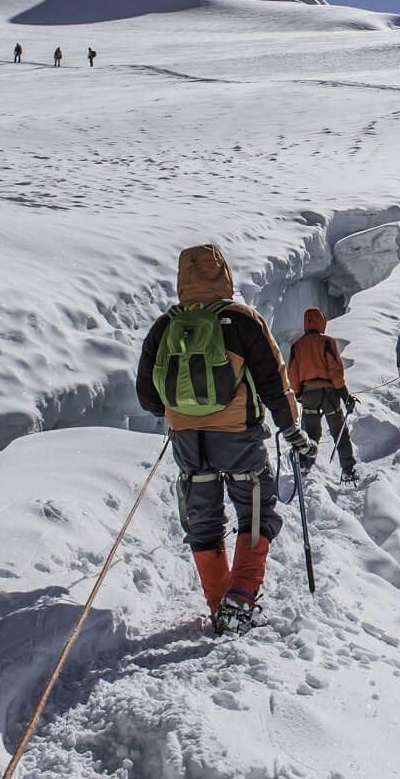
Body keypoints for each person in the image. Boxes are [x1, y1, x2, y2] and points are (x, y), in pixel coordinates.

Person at [136, 244, 315, 635]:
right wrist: (291, 429)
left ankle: (221, 604)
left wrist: (184, 412)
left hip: (186, 440)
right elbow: (273, 381)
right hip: (237, 437)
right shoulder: (241, 320)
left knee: (203, 521)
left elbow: (148, 395)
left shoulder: (165, 326)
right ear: (223, 274)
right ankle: (241, 599)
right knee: (256, 514)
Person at [287, 308, 358, 479]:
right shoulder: (327, 342)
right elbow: (335, 371)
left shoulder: (297, 346)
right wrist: (345, 395)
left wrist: (298, 393)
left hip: (308, 395)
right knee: (339, 431)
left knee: (311, 433)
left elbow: (292, 373)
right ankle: (348, 469)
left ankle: (305, 465)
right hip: (329, 394)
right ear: (321, 322)